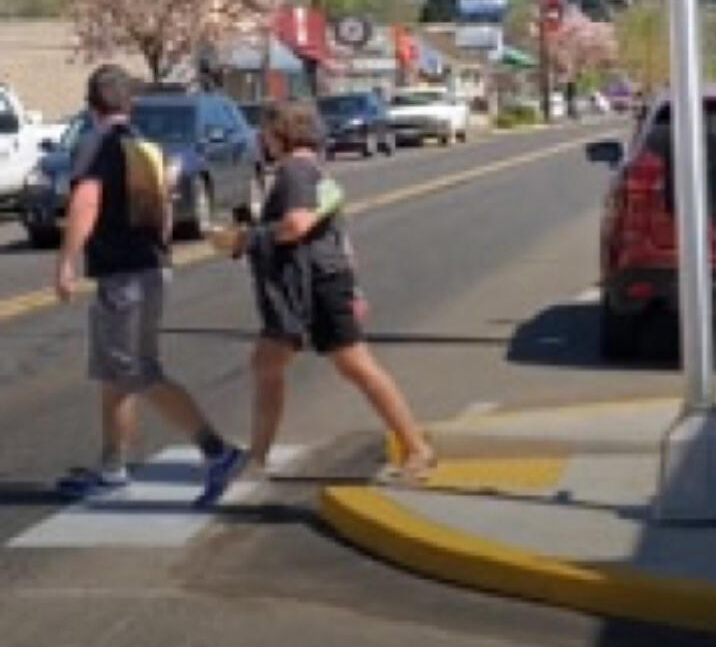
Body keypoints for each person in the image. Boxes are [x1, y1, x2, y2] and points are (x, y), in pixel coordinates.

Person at [53, 64, 245, 507]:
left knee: (137, 370)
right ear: (130, 103)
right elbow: (161, 214)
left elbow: (86, 200)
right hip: (146, 268)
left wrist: (66, 262)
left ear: (90, 105)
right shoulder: (144, 145)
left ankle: (217, 452)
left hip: (125, 275)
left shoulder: (95, 143)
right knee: (113, 375)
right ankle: (112, 467)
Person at [229, 99, 434, 483]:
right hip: (318, 282)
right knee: (268, 366)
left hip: (314, 285)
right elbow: (339, 236)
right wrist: (354, 288)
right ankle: (257, 457)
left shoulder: (294, 173)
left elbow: (296, 225)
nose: (262, 140)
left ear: (281, 134)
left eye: (267, 132)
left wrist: (247, 238)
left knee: (356, 367)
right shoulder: (313, 170)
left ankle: (417, 448)